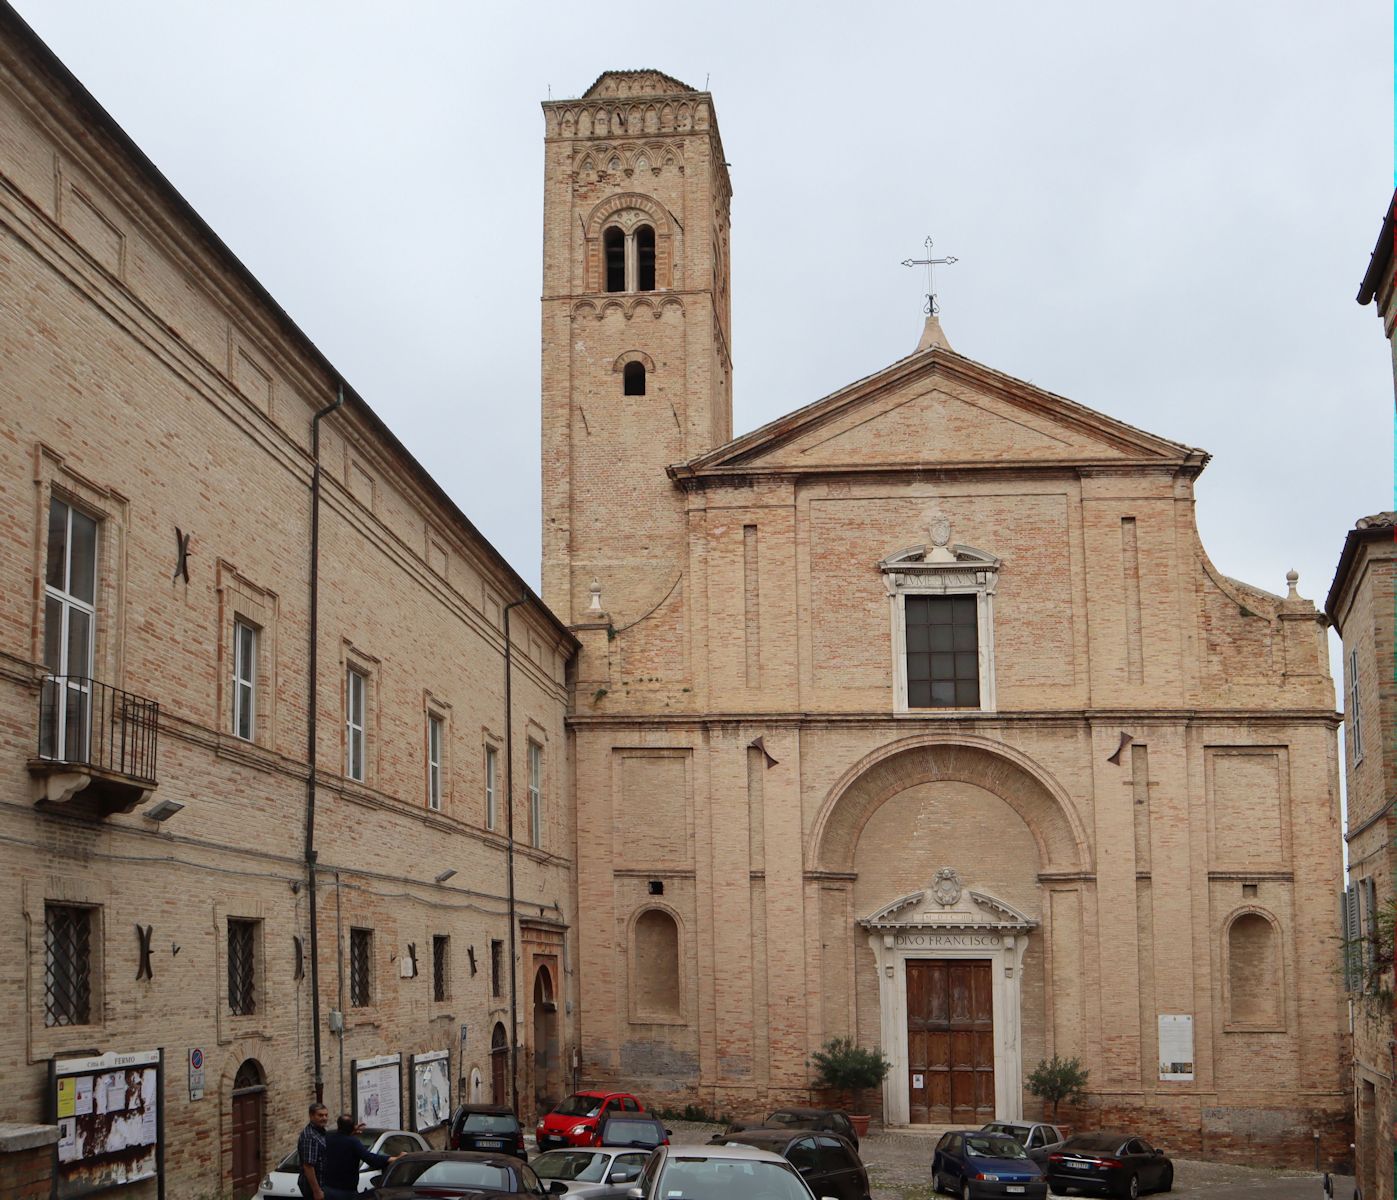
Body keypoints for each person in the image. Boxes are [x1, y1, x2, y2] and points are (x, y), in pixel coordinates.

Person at [322, 1114, 401, 1199]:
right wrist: (394, 1158)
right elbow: (370, 1159)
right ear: (352, 1128)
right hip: (346, 1191)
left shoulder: (328, 1138)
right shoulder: (353, 1142)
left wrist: (351, 1131)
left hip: (328, 1189)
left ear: (338, 1125)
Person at [296, 1102, 329, 1200]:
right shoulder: (310, 1137)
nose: (324, 1118)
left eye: (326, 1115)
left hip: (323, 1184)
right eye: (320, 1115)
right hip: (314, 1186)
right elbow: (308, 1166)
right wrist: (317, 1191)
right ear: (311, 1116)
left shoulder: (320, 1132)